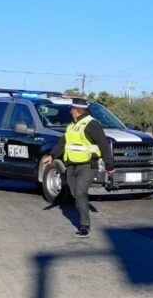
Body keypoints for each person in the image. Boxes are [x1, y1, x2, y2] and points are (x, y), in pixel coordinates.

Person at [41, 99, 113, 238]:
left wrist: (109, 165)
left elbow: (103, 144)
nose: (70, 111)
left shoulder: (92, 124)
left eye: (71, 109)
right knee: (76, 194)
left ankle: (84, 226)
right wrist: (52, 155)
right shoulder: (71, 126)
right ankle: (83, 207)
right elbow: (63, 143)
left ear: (76, 110)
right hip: (72, 165)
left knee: (80, 193)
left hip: (88, 164)